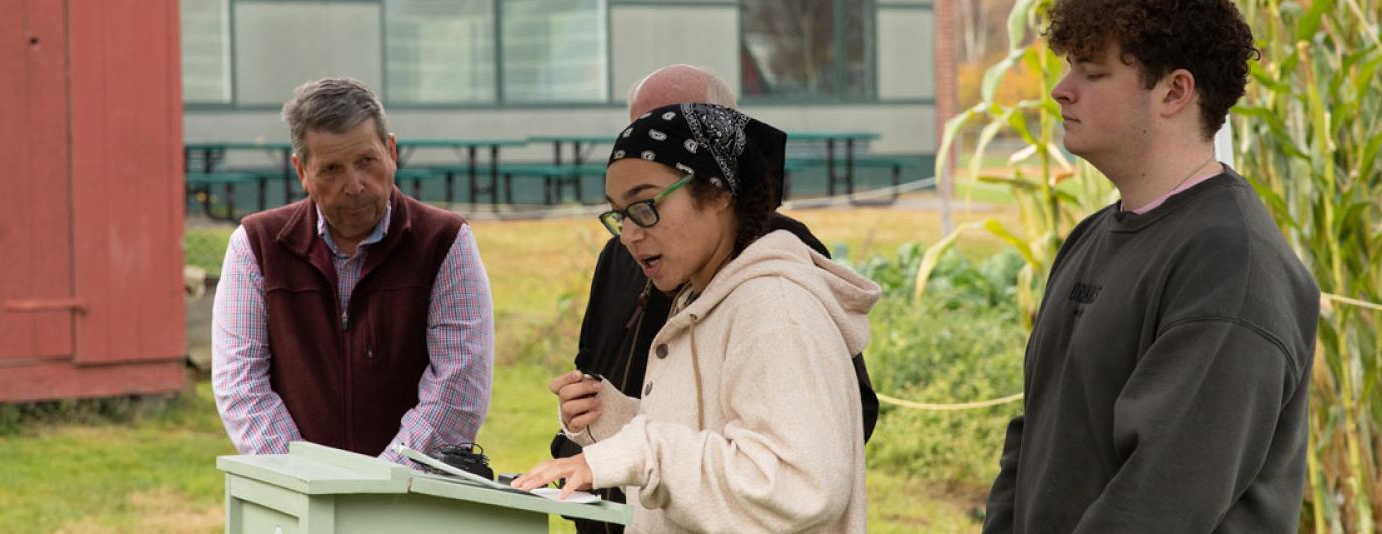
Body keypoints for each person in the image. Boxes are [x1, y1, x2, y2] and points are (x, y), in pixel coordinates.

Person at [982, 0, 1319, 532]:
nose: (1061, 92)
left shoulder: (1230, 265)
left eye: (1091, 74)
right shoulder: (1091, 237)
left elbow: (1160, 503)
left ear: (1174, 92)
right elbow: (1033, 436)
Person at [513, 103, 880, 533]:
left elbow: (798, 484)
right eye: (618, 214)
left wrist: (643, 451)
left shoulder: (776, 309)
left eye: (645, 205)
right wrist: (614, 420)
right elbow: (712, 444)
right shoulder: (703, 298)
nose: (629, 234)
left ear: (720, 192)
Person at [211, 78, 494, 466]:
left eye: (366, 161)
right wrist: (308, 478)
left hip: (412, 495)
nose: (355, 185)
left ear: (391, 151)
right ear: (301, 172)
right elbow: (241, 385)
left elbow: (458, 387)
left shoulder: (445, 242)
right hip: (296, 500)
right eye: (331, 169)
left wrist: (379, 482)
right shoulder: (256, 246)